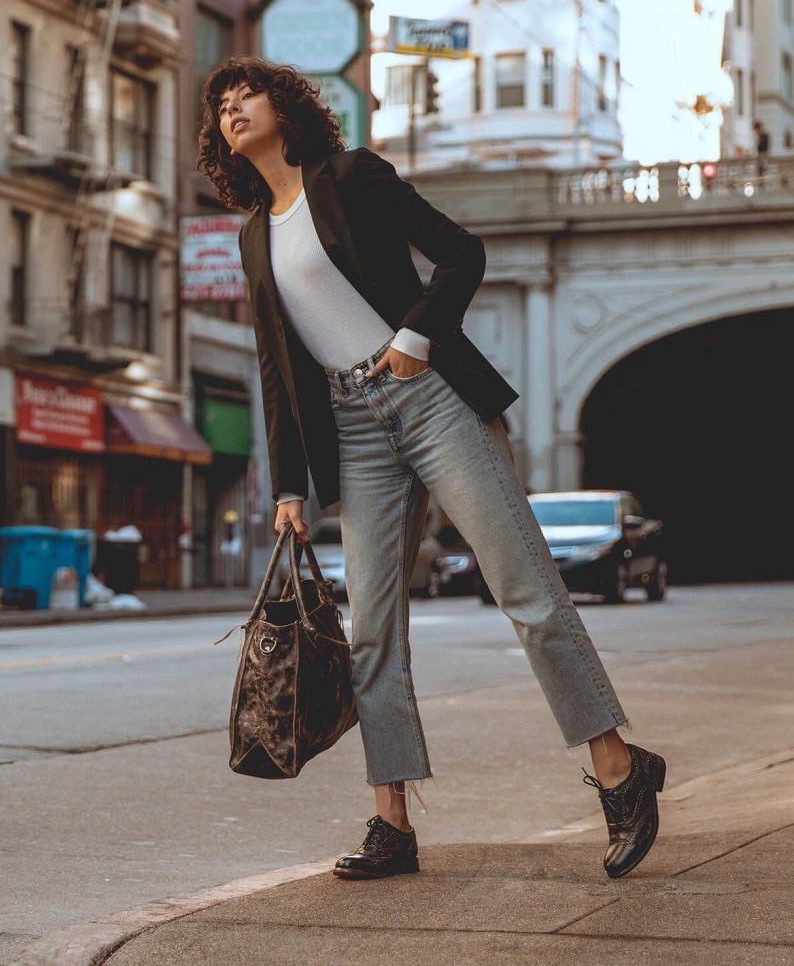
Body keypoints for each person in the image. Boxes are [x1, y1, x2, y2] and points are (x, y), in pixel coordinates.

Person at [198, 56, 666, 882]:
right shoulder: (252, 234)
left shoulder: (350, 177)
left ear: (287, 106)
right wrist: (291, 487)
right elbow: (280, 367)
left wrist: (415, 336)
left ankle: (623, 770)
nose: (235, 109)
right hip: (352, 428)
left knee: (525, 589)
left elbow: (461, 253)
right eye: (222, 105)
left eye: (248, 95)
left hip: (430, 397)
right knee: (373, 630)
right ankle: (393, 823)